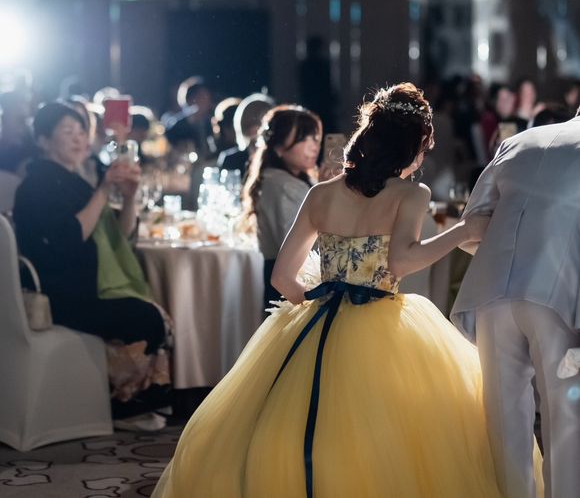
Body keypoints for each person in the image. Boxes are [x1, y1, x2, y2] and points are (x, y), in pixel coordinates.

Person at [152, 83, 541, 498]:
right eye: (423, 149)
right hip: (382, 319)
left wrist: (315, 308)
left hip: (317, 319)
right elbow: (402, 261)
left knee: (298, 423)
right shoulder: (412, 194)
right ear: (409, 148)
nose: (422, 158)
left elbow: (282, 277)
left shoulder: (321, 193)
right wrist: (462, 231)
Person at [13, 102, 171, 423]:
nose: (79, 138)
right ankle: (124, 402)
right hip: (61, 293)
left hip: (87, 285)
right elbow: (70, 240)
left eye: (82, 131)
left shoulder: (75, 182)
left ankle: (139, 398)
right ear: (43, 140)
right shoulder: (37, 185)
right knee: (145, 317)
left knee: (150, 310)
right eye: (67, 131)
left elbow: (120, 238)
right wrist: (104, 190)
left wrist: (130, 196)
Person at [452, 109, 580, 498]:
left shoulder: (518, 142)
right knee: (565, 419)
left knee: (504, 421)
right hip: (558, 293)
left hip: (491, 290)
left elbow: (471, 226)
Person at [242, 104, 322, 310]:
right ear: (278, 147)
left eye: (315, 138)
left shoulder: (279, 179)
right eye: (303, 139)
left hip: (281, 276)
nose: (314, 146)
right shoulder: (284, 185)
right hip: (292, 282)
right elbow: (297, 245)